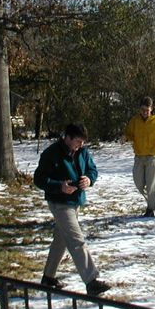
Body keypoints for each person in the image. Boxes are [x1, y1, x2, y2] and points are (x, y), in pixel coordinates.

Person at [33, 123, 110, 296]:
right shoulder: (51, 153)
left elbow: (92, 170)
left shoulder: (83, 152)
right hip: (59, 203)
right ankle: (91, 281)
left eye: (83, 142)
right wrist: (59, 186)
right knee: (76, 240)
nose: (80, 145)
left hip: (75, 201)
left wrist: (89, 180)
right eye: (77, 141)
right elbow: (39, 179)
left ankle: (48, 277)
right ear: (67, 137)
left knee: (61, 240)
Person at [124, 96, 155, 217]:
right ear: (140, 109)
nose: (145, 113)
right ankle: (152, 199)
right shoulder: (135, 121)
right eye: (143, 110)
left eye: (147, 110)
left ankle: (150, 209)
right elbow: (129, 133)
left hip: (152, 156)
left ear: (151, 109)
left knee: (151, 183)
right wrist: (125, 137)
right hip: (139, 156)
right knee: (138, 183)